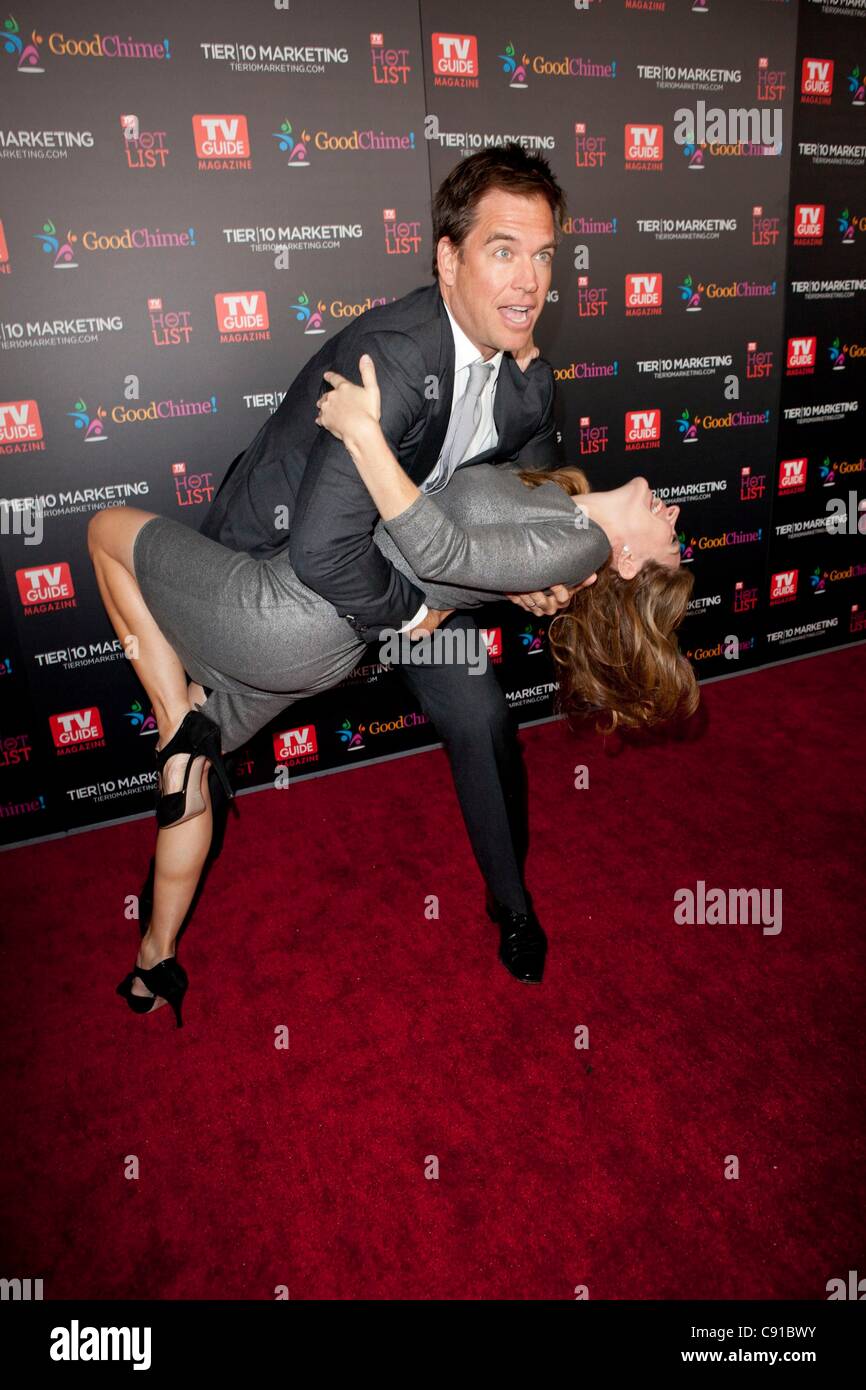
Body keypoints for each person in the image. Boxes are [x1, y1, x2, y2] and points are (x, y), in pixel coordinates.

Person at [87, 346, 697, 1025]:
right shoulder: (565, 510)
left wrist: (362, 430)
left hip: (315, 610)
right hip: (335, 631)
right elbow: (499, 516)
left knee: (106, 531)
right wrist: (526, 578)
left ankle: (174, 718)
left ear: (630, 562)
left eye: (672, 539)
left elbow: (447, 547)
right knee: (195, 755)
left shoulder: (580, 545)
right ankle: (153, 959)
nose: (676, 517)